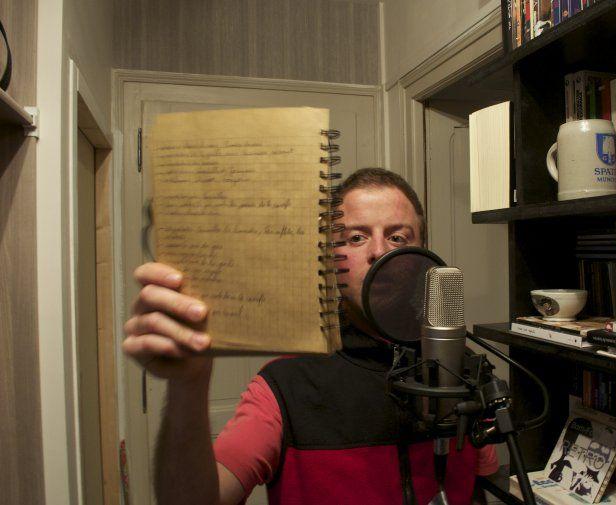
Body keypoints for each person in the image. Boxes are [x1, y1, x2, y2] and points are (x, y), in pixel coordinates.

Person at [123, 167, 499, 505]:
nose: (379, 251)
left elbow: (484, 481)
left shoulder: (460, 369)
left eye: (398, 238)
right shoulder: (284, 386)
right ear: (330, 261)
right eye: (355, 237)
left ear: (420, 256)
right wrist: (188, 385)